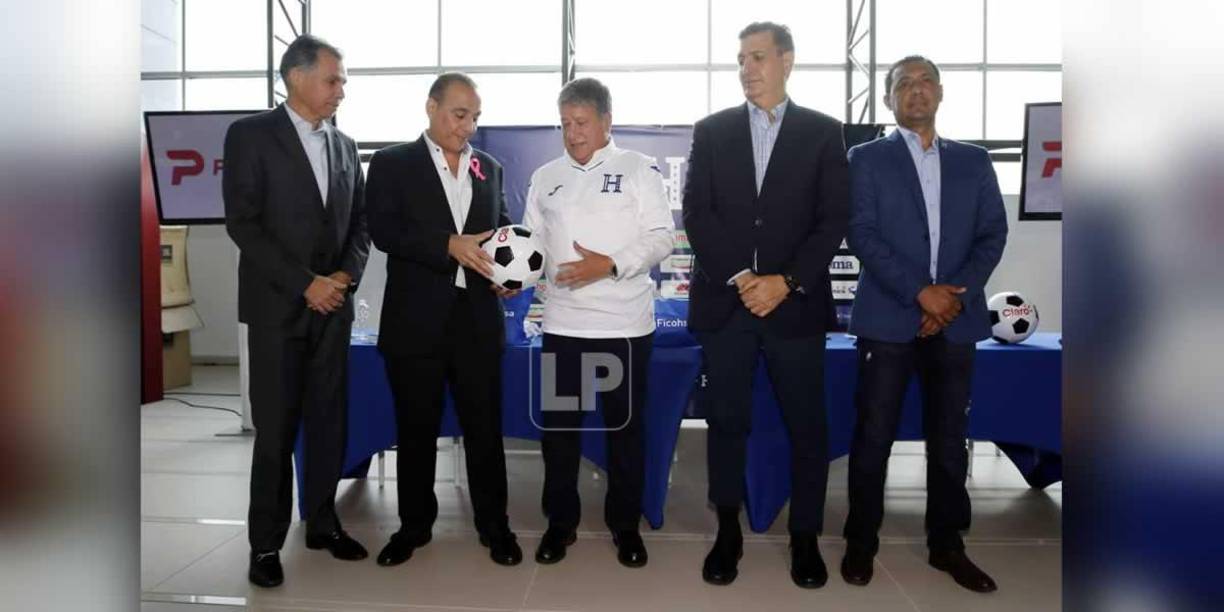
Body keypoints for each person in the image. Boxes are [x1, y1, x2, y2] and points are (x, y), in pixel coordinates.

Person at [682, 22, 849, 588]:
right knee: (726, 422)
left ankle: (805, 537)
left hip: (794, 308)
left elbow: (833, 219)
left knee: (808, 426)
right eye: (740, 59)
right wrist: (744, 278)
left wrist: (787, 281)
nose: (747, 69)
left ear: (787, 61)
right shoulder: (712, 131)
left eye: (757, 57)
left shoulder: (823, 133)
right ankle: (727, 532)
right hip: (726, 306)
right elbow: (697, 214)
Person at [840, 55, 1008, 593]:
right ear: (888, 98)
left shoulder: (974, 161)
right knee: (873, 436)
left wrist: (951, 300)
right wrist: (920, 294)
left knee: (950, 438)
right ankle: (860, 543)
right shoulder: (866, 158)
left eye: (925, 82)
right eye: (903, 83)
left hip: (955, 321)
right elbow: (862, 233)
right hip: (888, 318)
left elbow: (993, 234)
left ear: (940, 92)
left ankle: (947, 545)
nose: (916, 90)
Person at [223, 34, 371, 588]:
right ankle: (265, 544)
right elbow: (243, 223)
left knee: (329, 423)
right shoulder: (250, 135)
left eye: (342, 82)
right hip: (277, 310)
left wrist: (342, 278)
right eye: (333, 80)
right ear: (296, 78)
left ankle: (323, 522)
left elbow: (360, 225)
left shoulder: (345, 145)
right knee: (276, 430)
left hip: (333, 309)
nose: (341, 91)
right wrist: (305, 283)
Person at [365, 72, 522, 568]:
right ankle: (413, 526)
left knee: (484, 430)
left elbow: (501, 232)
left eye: (475, 117)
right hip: (415, 323)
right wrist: (446, 244)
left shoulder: (489, 167)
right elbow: (384, 229)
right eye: (459, 115)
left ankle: (495, 527)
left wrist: (509, 275)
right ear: (431, 108)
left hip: (477, 323)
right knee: (415, 430)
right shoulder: (392, 163)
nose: (468, 127)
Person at [521, 78, 675, 568]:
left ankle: (625, 526)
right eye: (565, 124)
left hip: (624, 329)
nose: (573, 133)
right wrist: (514, 278)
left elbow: (662, 237)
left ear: (606, 121)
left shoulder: (638, 169)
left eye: (582, 123)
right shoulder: (545, 176)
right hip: (563, 328)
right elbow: (531, 245)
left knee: (625, 433)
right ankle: (559, 523)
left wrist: (608, 265)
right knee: (559, 434)